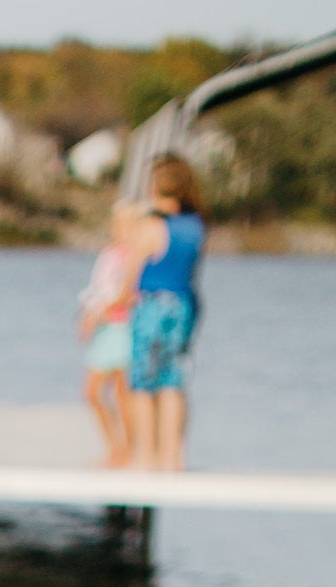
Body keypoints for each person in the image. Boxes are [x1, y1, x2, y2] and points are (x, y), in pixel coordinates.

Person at [127, 153, 205, 473]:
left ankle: (146, 456)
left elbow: (129, 277)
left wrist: (105, 308)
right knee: (174, 382)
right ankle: (173, 457)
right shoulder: (196, 226)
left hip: (152, 306)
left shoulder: (152, 225)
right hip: (184, 305)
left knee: (144, 383)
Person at [77, 199, 141, 465]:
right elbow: (96, 289)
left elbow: (130, 295)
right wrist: (89, 315)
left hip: (124, 328)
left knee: (122, 393)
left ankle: (126, 450)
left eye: (127, 225)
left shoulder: (136, 257)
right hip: (105, 329)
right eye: (118, 224)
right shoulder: (109, 254)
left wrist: (100, 312)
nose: (120, 230)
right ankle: (115, 447)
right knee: (91, 392)